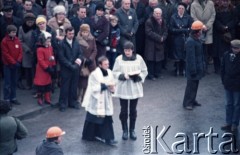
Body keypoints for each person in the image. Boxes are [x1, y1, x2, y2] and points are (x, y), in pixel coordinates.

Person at [112, 41, 148, 140]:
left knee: (133, 110)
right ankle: (125, 130)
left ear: (132, 50)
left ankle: (132, 130)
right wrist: (123, 76)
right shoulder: (119, 59)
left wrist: (138, 77)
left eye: (129, 50)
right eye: (125, 50)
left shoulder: (139, 58)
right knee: (123, 111)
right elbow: (114, 72)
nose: (127, 52)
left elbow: (144, 70)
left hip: (134, 88)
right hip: (123, 88)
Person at [82, 56, 117, 146]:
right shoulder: (94, 74)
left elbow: (113, 82)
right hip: (96, 99)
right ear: (100, 65)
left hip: (106, 98)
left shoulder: (109, 72)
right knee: (93, 118)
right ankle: (89, 135)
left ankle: (108, 138)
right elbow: (92, 87)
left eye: (108, 64)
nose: (107, 66)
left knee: (106, 118)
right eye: (105, 64)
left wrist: (112, 88)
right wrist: (103, 86)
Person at [58, 26, 83, 112]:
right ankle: (63, 104)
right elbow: (61, 57)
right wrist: (70, 65)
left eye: (73, 33)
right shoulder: (61, 43)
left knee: (74, 86)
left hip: (75, 68)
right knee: (64, 87)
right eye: (70, 34)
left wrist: (77, 63)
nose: (71, 35)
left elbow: (80, 54)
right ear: (66, 33)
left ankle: (72, 102)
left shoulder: (76, 42)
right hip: (66, 69)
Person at [182, 20, 205, 110]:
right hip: (193, 68)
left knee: (195, 85)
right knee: (191, 86)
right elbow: (190, 58)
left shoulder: (194, 39)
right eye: (201, 30)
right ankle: (187, 103)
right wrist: (193, 70)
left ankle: (192, 100)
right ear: (197, 31)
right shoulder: (191, 41)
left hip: (197, 67)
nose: (201, 32)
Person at [191, 0, 216, 73]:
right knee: (198, 50)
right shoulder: (193, 4)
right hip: (197, 30)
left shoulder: (211, 3)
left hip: (208, 29)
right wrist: (201, 26)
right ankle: (199, 68)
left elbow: (213, 15)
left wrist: (207, 26)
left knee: (206, 51)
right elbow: (193, 16)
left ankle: (205, 68)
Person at [220, 39, 240, 132]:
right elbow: (222, 68)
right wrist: (223, 80)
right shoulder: (226, 55)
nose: (236, 50)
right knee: (228, 104)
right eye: (234, 48)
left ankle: (234, 123)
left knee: (236, 104)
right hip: (228, 83)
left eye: (237, 48)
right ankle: (228, 122)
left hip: (237, 84)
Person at [1, 25, 23, 105]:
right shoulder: (4, 41)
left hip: (15, 64)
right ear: (8, 33)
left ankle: (13, 97)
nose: (14, 34)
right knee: (7, 83)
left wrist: (19, 60)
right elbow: (6, 54)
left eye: (15, 32)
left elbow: (20, 51)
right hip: (8, 65)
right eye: (13, 32)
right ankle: (6, 99)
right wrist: (14, 62)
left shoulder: (17, 40)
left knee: (14, 82)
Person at [169, 2, 193, 76]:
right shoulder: (173, 17)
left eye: (182, 8)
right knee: (177, 55)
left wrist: (182, 30)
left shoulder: (188, 17)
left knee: (185, 54)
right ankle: (177, 69)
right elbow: (171, 29)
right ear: (177, 9)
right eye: (179, 8)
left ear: (185, 9)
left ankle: (184, 69)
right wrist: (183, 30)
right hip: (176, 39)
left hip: (185, 38)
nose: (181, 10)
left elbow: (191, 28)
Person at [145, 8, 168, 80]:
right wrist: (159, 38)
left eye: (159, 13)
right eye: (156, 13)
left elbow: (166, 31)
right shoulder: (149, 21)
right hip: (151, 43)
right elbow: (149, 32)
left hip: (160, 43)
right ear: (153, 13)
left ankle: (157, 74)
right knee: (151, 60)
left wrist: (163, 38)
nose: (158, 15)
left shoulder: (163, 21)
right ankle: (151, 75)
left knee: (159, 59)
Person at [34, 31, 56, 105]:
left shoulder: (50, 47)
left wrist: (53, 65)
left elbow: (52, 56)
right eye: (47, 41)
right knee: (41, 85)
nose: (48, 43)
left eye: (49, 41)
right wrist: (47, 68)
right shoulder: (40, 49)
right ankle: (40, 98)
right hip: (42, 70)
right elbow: (40, 60)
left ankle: (47, 98)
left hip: (48, 69)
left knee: (48, 84)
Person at [76, 24, 97, 103]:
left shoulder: (92, 39)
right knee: (81, 81)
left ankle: (86, 96)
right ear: (81, 32)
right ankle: (79, 96)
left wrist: (91, 58)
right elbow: (77, 51)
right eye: (84, 32)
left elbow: (95, 50)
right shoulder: (77, 40)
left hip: (91, 62)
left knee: (89, 80)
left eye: (87, 32)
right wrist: (84, 59)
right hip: (82, 63)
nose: (85, 33)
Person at [18, 13, 37, 90]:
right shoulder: (21, 28)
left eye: (32, 21)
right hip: (26, 51)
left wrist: (34, 48)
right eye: (28, 21)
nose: (30, 23)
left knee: (34, 69)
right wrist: (27, 49)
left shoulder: (36, 28)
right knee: (27, 69)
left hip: (35, 51)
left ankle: (35, 84)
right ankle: (28, 84)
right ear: (25, 21)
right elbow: (20, 41)